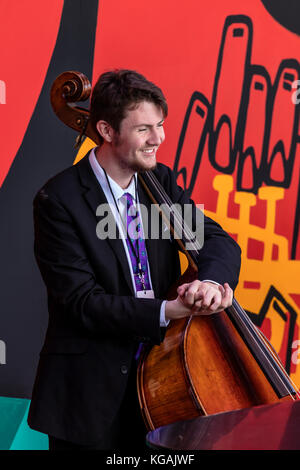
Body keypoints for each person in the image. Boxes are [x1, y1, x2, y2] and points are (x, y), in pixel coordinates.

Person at [27, 69, 241, 451]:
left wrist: (209, 283)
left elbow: (217, 240)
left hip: (160, 380)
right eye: (144, 129)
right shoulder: (58, 200)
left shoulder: (158, 182)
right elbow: (82, 303)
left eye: (160, 125)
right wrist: (167, 310)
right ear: (107, 131)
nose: (158, 139)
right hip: (89, 394)